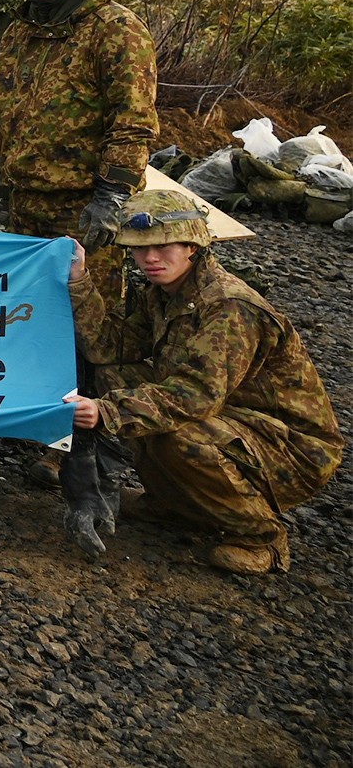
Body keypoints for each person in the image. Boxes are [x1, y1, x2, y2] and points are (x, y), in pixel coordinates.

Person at [65, 188, 342, 574]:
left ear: (193, 245)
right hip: (235, 417)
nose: (150, 258)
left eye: (164, 246)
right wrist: (78, 279)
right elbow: (112, 347)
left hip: (291, 448)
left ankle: (261, 536)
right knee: (114, 377)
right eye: (139, 249)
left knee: (177, 430)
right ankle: (174, 504)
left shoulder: (228, 307)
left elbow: (195, 396)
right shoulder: (165, 292)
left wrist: (107, 412)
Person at [0, 0, 157, 249]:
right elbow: (1, 109)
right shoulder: (18, 32)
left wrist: (113, 193)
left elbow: (133, 120)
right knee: (25, 302)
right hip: (23, 204)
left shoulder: (115, 28)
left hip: (83, 207)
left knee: (84, 300)